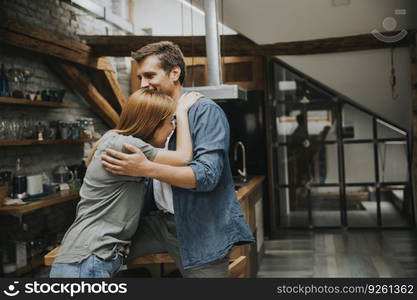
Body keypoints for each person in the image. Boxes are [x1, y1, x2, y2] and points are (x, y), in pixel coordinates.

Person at [101, 41, 254, 278]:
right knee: (92, 255)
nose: (143, 84)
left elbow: (206, 176)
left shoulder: (205, 112)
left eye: (149, 75)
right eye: (140, 77)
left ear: (175, 73)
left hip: (200, 228)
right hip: (157, 224)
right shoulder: (153, 112)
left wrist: (146, 168)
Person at [50, 88, 202, 278]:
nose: (173, 128)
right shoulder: (126, 146)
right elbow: (184, 157)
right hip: (87, 261)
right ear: (153, 123)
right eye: (170, 121)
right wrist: (181, 113)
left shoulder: (113, 139)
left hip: (86, 259)